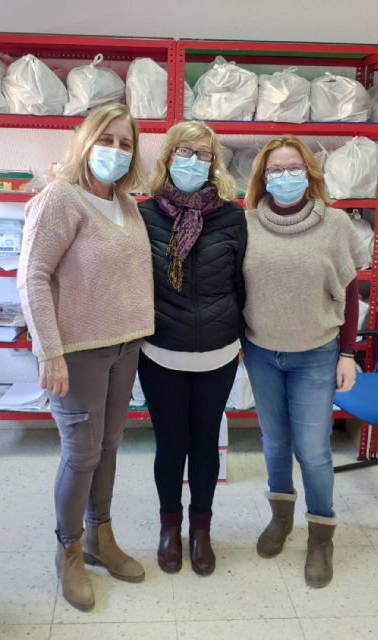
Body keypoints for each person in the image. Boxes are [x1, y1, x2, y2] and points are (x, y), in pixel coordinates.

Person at [17, 103, 154, 611]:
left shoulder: (126, 203)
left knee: (110, 445)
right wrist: (49, 352)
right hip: (76, 353)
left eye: (125, 143)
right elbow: (32, 276)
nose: (116, 151)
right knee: (81, 454)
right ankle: (69, 550)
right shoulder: (61, 198)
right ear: (85, 142)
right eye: (106, 140)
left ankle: (101, 536)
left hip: (125, 346)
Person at [242, 135, 368, 589]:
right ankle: (281, 518)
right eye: (275, 169)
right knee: (274, 442)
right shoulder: (247, 223)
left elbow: (349, 293)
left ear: (309, 173)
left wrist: (348, 353)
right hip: (262, 352)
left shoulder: (335, 224)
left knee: (313, 450)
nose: (285, 176)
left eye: (294, 167)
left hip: (316, 354)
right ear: (262, 177)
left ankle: (320, 535)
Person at [138, 121, 246, 576]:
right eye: (184, 152)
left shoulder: (232, 216)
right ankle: (170, 527)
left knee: (204, 446)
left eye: (203, 154)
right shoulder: (144, 215)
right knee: (171, 445)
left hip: (218, 353)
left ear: (214, 163)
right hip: (161, 352)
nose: (193, 161)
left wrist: (239, 333)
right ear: (167, 157)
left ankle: (201, 529)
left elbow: (241, 281)